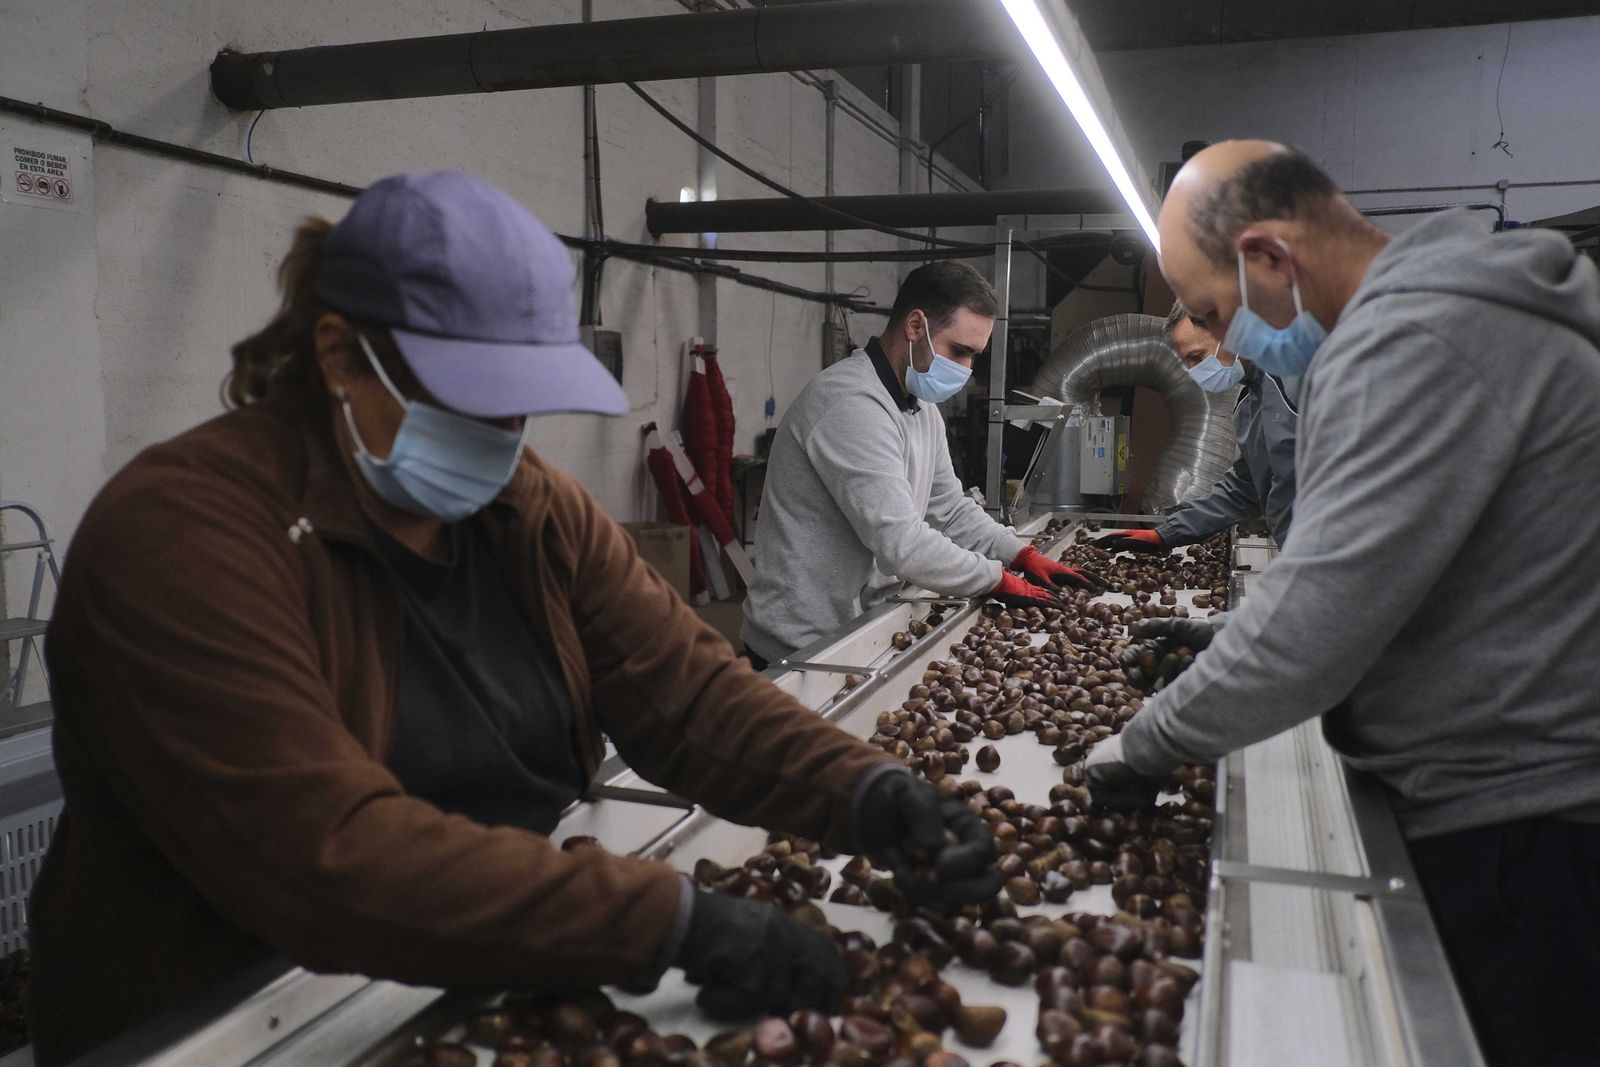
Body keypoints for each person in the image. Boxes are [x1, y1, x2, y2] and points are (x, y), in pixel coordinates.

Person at [28, 171, 1000, 1065]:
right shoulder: (182, 534)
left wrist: (867, 791)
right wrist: (671, 921)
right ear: (338, 355)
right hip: (233, 1023)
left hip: (479, 972)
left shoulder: (524, 506)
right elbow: (323, 853)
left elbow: (688, 691)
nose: (501, 439)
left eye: (520, 404)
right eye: (469, 400)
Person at [1083, 141, 1600, 1065]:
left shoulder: (1414, 338)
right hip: (1527, 792)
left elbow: (1323, 616)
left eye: (1211, 311)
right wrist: (1228, 628)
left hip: (1523, 824)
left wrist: (1142, 745)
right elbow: (1402, 570)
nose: (1224, 340)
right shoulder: (1454, 315)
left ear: (1271, 260)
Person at [742, 261, 1103, 667]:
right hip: (802, 649)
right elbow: (903, 545)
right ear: (916, 326)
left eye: (975, 357)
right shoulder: (851, 405)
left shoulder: (919, 406)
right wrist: (996, 578)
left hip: (861, 629)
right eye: (959, 351)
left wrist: (1018, 554)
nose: (966, 371)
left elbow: (947, 510)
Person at [1096, 300, 1298, 555]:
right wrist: (1166, 534)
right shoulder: (1250, 404)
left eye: (1197, 356)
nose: (1193, 371)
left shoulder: (1297, 381)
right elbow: (1244, 488)